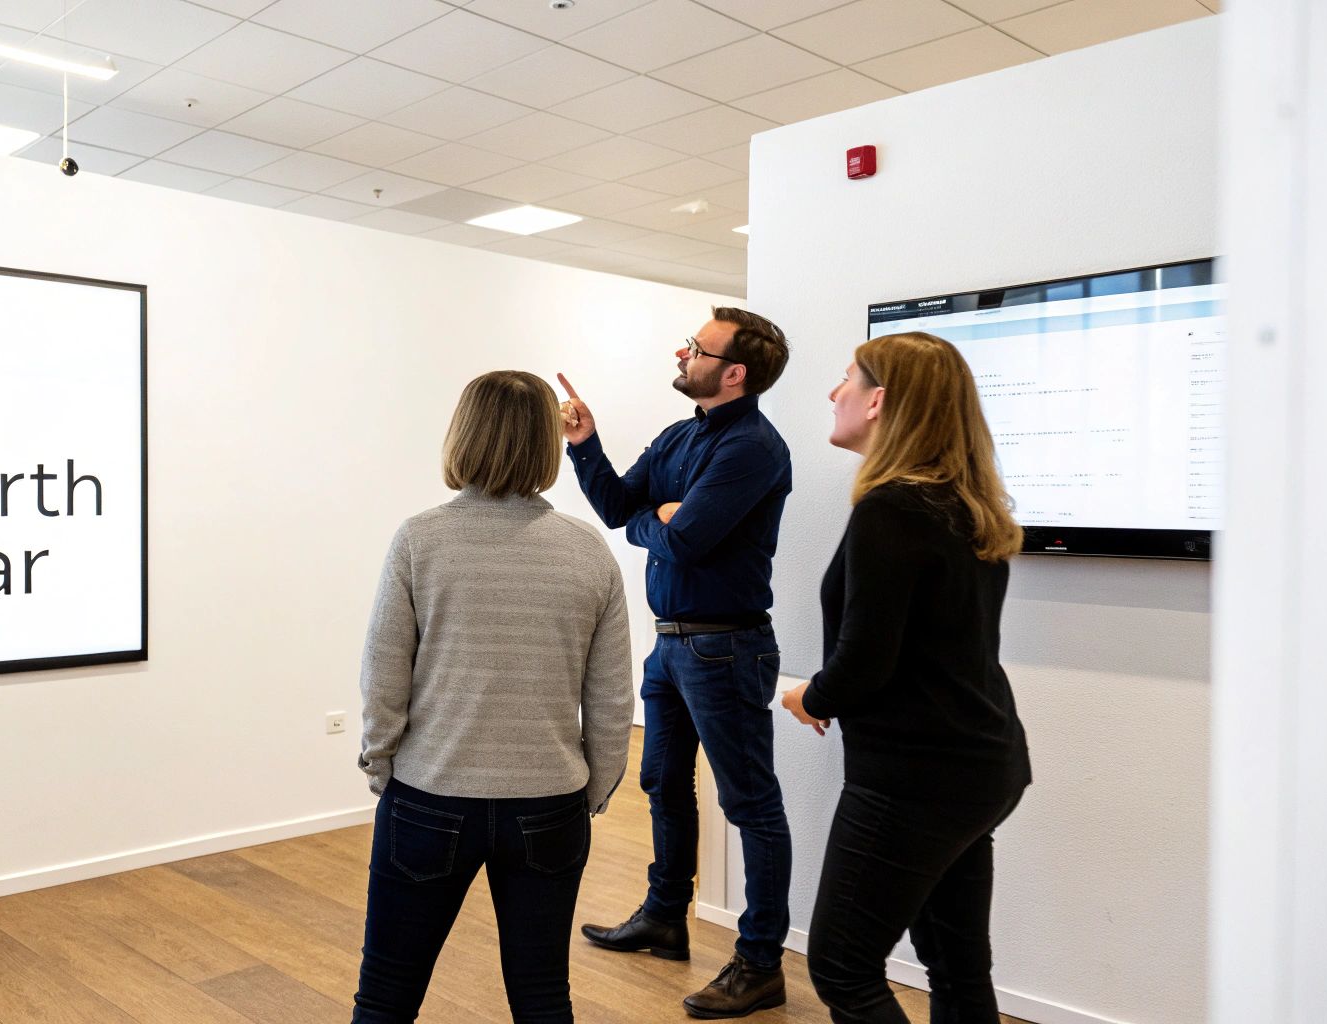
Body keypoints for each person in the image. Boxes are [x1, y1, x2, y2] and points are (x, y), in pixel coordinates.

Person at [353, 370, 636, 1024]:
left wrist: (381, 763)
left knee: (386, 997)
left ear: (462, 434)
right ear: (548, 444)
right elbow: (612, 698)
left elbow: (384, 671)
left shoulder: (419, 539)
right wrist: (596, 786)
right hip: (549, 805)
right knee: (542, 996)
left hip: (429, 799)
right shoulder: (588, 550)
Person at [779, 331, 1033, 1024]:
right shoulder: (964, 506)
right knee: (955, 968)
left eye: (846, 381)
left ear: (880, 400)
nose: (835, 395)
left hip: (915, 780)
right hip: (982, 765)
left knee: (840, 964)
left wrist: (811, 695)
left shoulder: (892, 508)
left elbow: (867, 660)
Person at [563, 308, 795, 1019]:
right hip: (672, 645)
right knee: (662, 779)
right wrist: (586, 444)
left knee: (749, 803)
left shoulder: (754, 447)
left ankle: (760, 963)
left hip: (727, 646)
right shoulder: (680, 434)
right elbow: (614, 509)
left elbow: (689, 541)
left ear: (734, 373)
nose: (682, 352)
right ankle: (665, 917)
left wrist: (671, 521)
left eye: (697, 348)